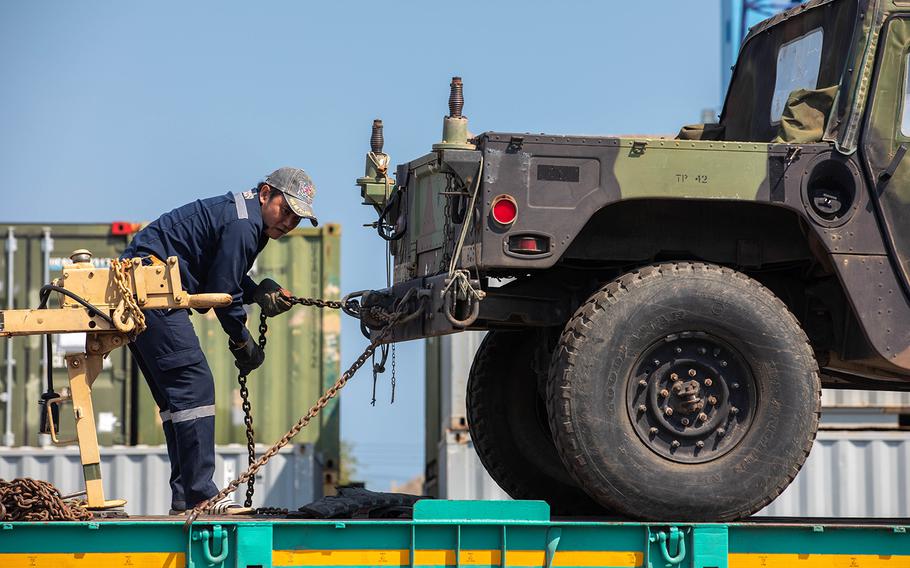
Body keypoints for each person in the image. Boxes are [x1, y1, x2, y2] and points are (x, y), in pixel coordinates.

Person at [122, 167, 318, 514]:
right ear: (265, 194)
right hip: (151, 287)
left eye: (297, 219)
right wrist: (242, 341)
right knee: (193, 384)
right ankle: (200, 496)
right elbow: (221, 291)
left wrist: (256, 292)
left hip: (143, 285)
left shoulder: (242, 217)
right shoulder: (245, 225)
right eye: (285, 211)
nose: (288, 223)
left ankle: (187, 497)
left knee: (177, 401)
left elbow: (220, 274)